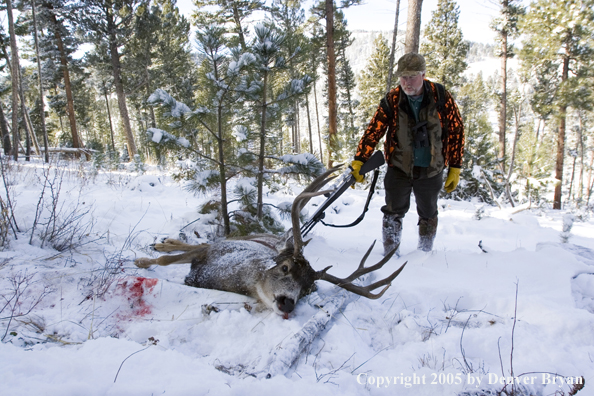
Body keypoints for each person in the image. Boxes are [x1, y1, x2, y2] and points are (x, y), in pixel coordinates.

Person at [350, 53, 465, 256]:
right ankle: (389, 257)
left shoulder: (440, 96)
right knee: (392, 212)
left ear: (423, 74)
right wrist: (360, 160)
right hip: (399, 168)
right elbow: (373, 131)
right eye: (403, 76)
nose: (407, 82)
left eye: (412, 76)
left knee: (428, 214)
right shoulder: (393, 99)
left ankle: (424, 255)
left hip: (431, 168)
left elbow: (456, 130)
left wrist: (455, 166)